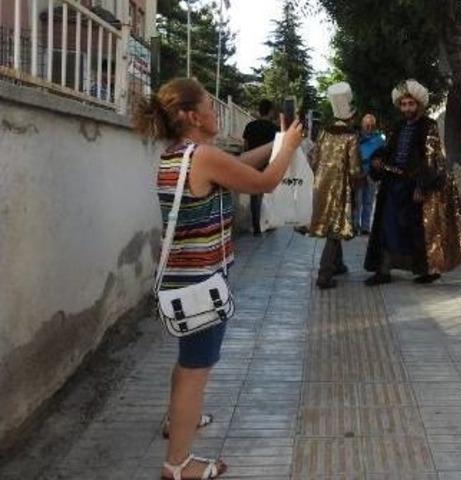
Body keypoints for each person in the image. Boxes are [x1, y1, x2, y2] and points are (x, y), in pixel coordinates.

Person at [133, 78, 303, 480]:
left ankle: (177, 422)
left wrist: (279, 143)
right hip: (201, 282)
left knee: (187, 362)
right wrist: (290, 150)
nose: (215, 111)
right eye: (209, 105)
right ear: (192, 116)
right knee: (196, 370)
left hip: (183, 276)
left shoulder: (179, 154)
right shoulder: (202, 156)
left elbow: (242, 166)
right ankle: (179, 464)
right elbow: (264, 182)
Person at [364, 79, 461, 285]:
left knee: (419, 231)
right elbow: (388, 150)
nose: (407, 108)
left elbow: (431, 159)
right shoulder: (397, 127)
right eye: (404, 104)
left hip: (413, 186)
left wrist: (421, 185)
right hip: (392, 185)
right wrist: (378, 161)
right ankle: (383, 270)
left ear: (419, 105)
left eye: (411, 104)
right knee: (386, 228)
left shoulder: (429, 126)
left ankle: (425, 270)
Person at [308, 82, 361, 290]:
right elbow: (355, 169)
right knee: (335, 228)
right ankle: (325, 273)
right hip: (340, 188)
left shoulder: (323, 133)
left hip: (320, 186)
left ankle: (338, 265)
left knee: (333, 226)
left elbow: (313, 159)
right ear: (350, 116)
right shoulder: (350, 136)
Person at [242, 99, 280, 236]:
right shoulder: (275, 129)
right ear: (270, 111)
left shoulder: (250, 126)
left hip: (252, 165)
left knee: (254, 196)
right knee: (267, 196)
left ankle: (256, 226)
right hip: (268, 165)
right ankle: (267, 224)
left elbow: (245, 146)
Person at [355, 114, 385, 234]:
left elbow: (384, 154)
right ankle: (355, 225)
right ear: (362, 125)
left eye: (371, 125)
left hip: (372, 173)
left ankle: (365, 227)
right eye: (367, 125)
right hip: (359, 172)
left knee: (369, 200)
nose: (369, 127)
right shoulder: (356, 138)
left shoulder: (379, 139)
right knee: (357, 200)